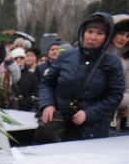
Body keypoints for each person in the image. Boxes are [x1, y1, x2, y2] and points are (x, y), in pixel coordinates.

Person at [38, 13, 125, 142]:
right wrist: (47, 104)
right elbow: (46, 83)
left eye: (100, 33)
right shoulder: (66, 56)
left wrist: (89, 114)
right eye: (90, 31)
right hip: (59, 126)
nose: (93, 37)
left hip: (93, 130)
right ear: (83, 32)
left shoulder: (112, 63)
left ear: (107, 37)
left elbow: (115, 96)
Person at [107, 14, 129, 132]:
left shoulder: (126, 60)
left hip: (115, 120)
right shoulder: (96, 54)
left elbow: (128, 90)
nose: (124, 39)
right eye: (121, 33)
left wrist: (113, 101)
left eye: (128, 36)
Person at [8, 46, 38, 111]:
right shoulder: (7, 74)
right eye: (16, 58)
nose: (19, 59)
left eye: (21, 58)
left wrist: (26, 102)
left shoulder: (31, 75)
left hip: (26, 108)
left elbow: (35, 91)